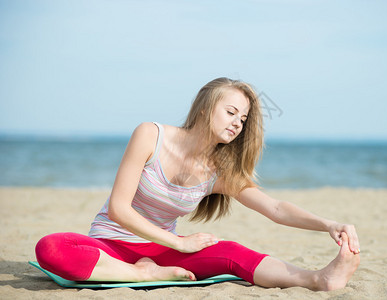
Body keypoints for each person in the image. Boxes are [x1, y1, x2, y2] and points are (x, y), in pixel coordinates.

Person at [35, 77, 360, 291]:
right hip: (111, 246)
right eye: (231, 111)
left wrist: (328, 224)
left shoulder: (220, 170)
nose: (237, 123)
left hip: (163, 252)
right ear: (205, 108)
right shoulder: (150, 135)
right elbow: (119, 210)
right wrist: (178, 244)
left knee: (232, 252)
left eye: (243, 119)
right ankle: (139, 273)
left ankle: (317, 279)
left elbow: (275, 208)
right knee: (51, 248)